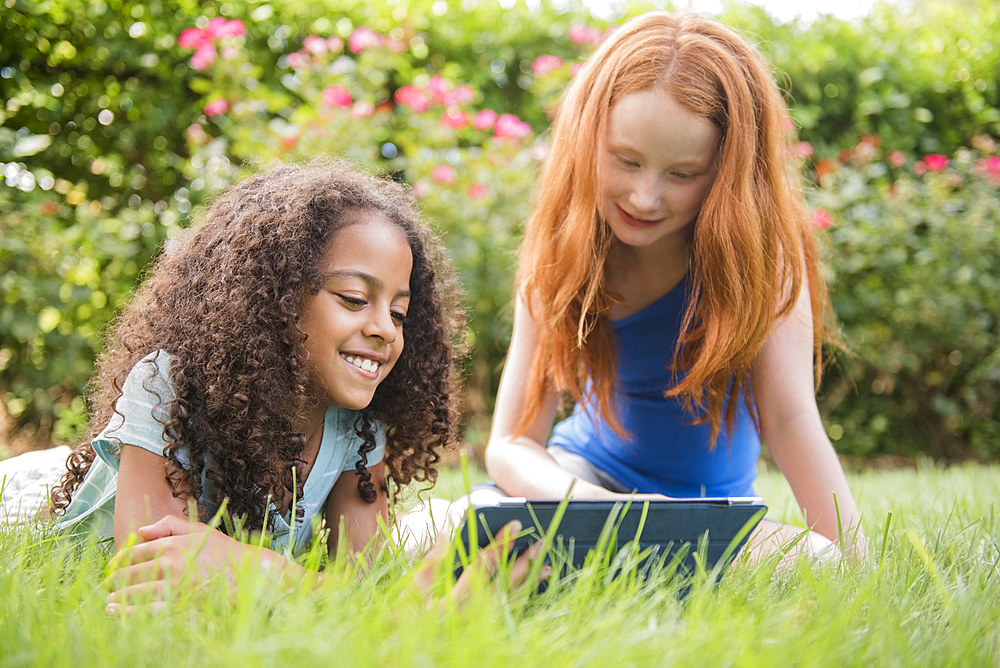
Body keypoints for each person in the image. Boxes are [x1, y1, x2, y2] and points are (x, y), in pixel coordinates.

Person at [0, 160, 537, 610]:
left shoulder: (357, 430)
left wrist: (260, 571)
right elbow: (149, 576)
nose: (383, 329)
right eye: (354, 299)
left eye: (399, 312)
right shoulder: (170, 388)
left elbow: (363, 590)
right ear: (272, 300)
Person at [483, 12, 866, 564]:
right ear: (587, 141)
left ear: (726, 174)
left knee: (821, 564)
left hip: (711, 516)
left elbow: (789, 419)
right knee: (444, 529)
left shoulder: (763, 260)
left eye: (682, 174)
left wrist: (852, 554)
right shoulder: (564, 252)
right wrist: (603, 511)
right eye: (625, 160)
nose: (644, 196)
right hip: (582, 487)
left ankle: (621, 559)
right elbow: (512, 443)